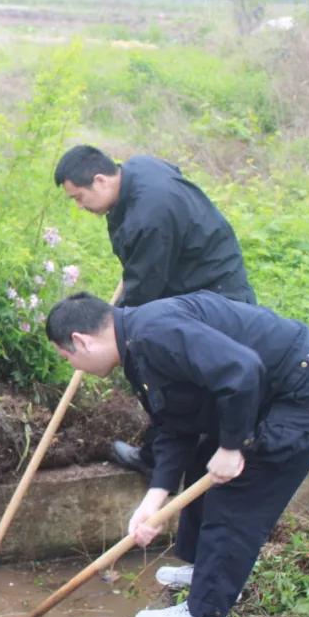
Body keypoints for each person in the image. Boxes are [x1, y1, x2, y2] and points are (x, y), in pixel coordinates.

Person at [44, 291, 309, 617]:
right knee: (201, 457)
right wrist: (154, 499)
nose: (72, 366)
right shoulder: (135, 342)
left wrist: (231, 446)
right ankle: (205, 572)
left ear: (80, 341)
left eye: (65, 356)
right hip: (271, 395)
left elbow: (242, 369)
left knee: (238, 488)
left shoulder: (154, 332)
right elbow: (175, 424)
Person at [53, 145, 256, 478]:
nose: (79, 205)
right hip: (197, 275)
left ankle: (163, 458)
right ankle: (195, 449)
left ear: (100, 180)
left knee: (160, 362)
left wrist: (103, 328)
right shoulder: (139, 169)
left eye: (78, 197)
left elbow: (143, 294)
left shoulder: (150, 218)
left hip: (214, 292)